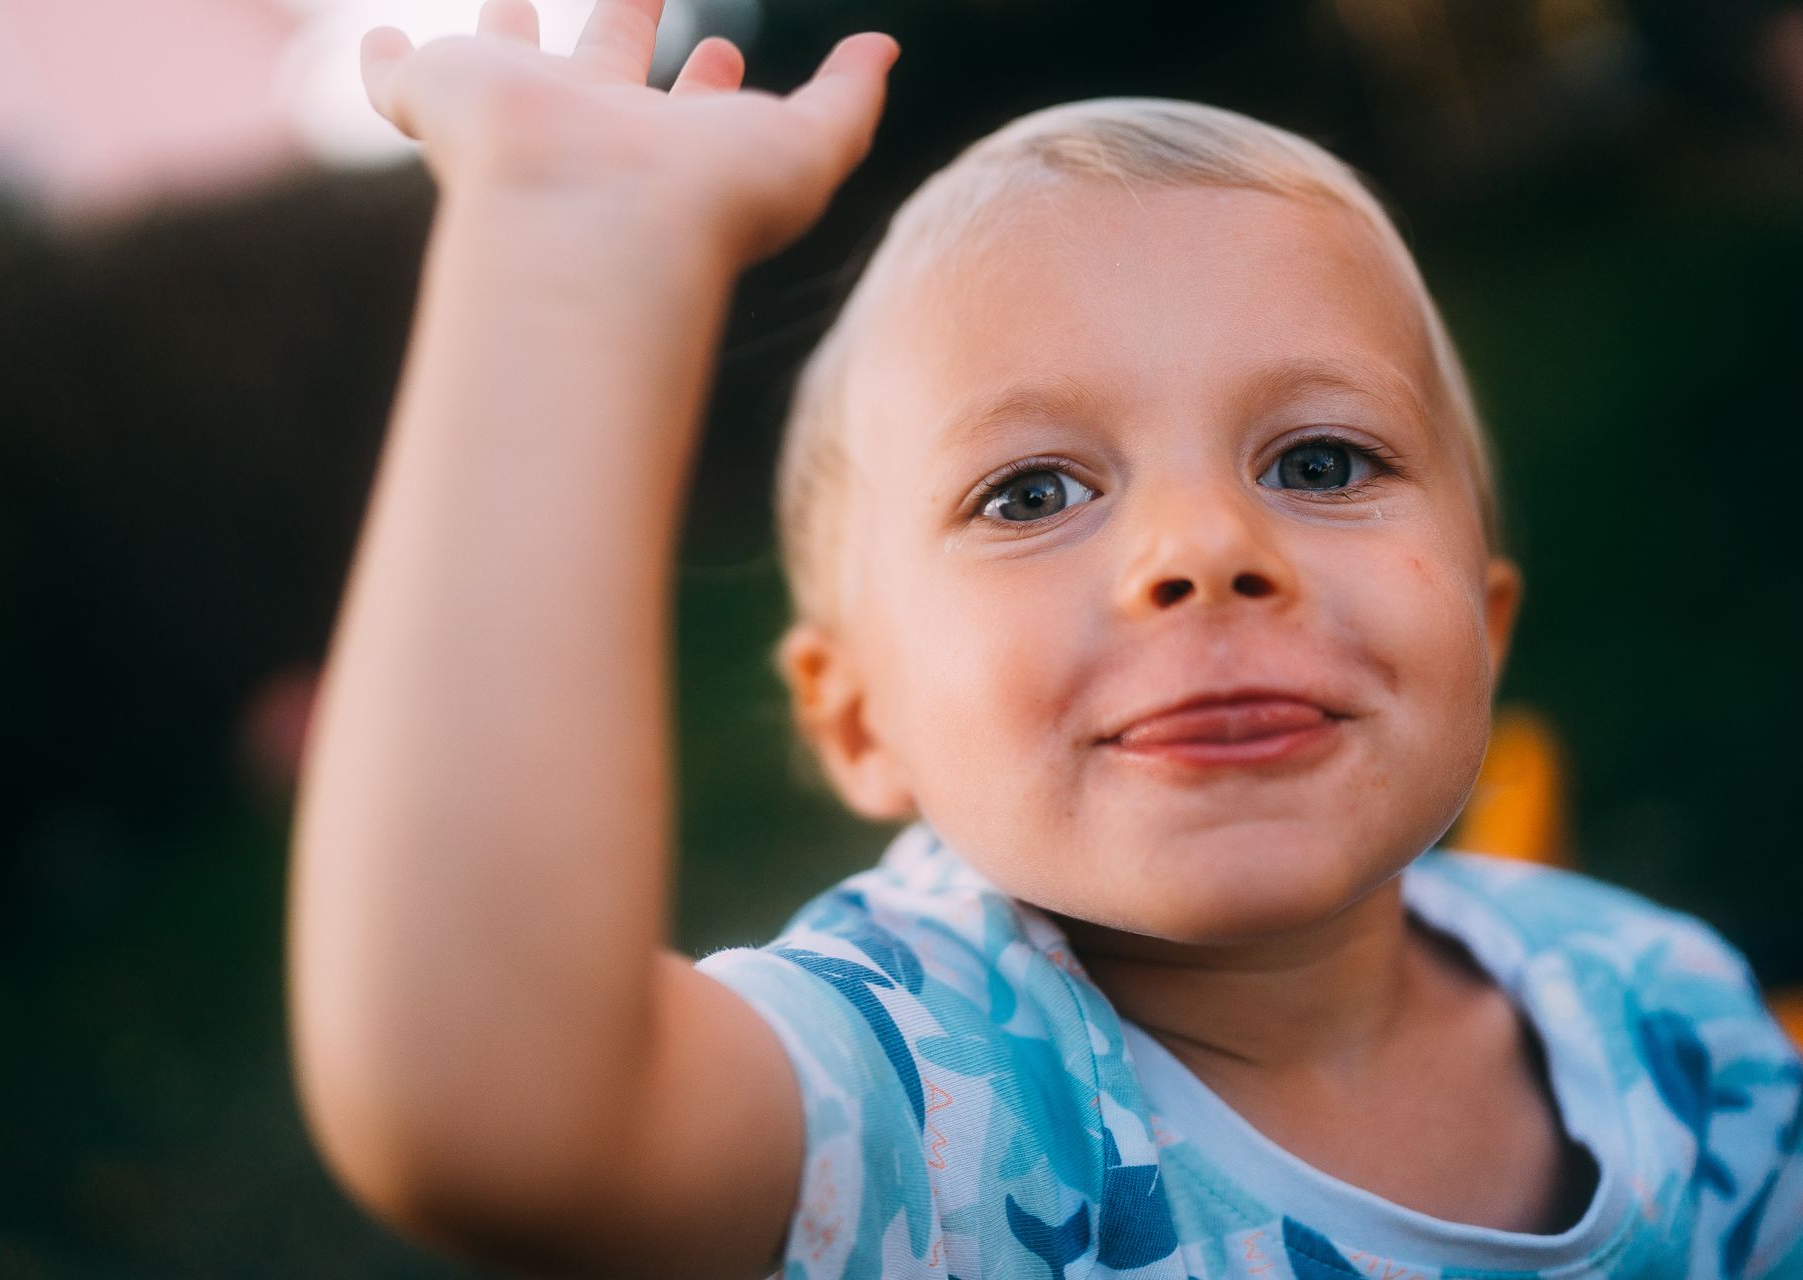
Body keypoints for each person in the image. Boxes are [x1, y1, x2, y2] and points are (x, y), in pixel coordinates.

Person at [284, 1, 1803, 1275]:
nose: (1208, 550)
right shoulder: (919, 1100)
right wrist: (564, 255)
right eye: (1032, 491)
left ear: (1483, 628)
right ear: (859, 718)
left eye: (1321, 461)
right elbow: (490, 1100)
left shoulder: (1669, 1013)